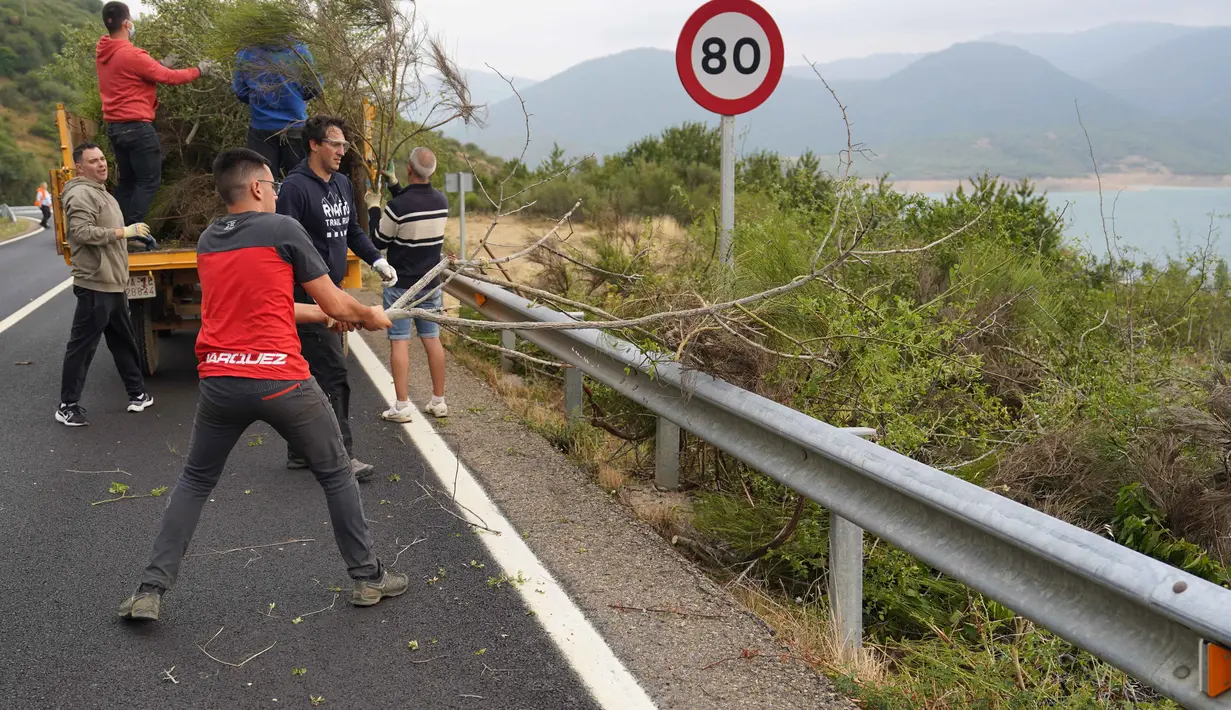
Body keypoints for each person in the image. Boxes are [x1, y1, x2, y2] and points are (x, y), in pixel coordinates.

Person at [119, 148, 408, 622]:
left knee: (195, 480)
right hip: (280, 381)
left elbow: (261, 302)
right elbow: (338, 300)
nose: (276, 192)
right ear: (256, 188)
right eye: (272, 185)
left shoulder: (210, 239)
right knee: (335, 473)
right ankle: (368, 578)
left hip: (220, 383)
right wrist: (367, 315)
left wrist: (322, 315)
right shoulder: (283, 229)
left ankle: (150, 590)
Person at [276, 115, 398, 478]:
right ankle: (341, 457)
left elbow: (353, 231)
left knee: (308, 376)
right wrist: (316, 297)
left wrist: (376, 259)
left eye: (345, 145)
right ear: (314, 145)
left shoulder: (342, 183)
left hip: (334, 291)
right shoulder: (295, 189)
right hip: (308, 295)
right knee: (333, 376)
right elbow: (284, 245)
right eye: (335, 144)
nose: (342, 151)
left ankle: (300, 452)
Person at [56, 143, 155, 427]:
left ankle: (138, 394)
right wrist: (124, 231)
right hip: (95, 284)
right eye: (93, 161)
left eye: (102, 159)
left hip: (113, 282)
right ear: (79, 167)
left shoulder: (102, 193)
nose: (101, 164)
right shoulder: (80, 194)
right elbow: (81, 232)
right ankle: (67, 405)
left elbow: (109, 235)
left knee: (123, 342)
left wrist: (135, 238)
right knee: (82, 347)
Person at [96, 1, 217, 225]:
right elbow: (169, 78)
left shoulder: (104, 51)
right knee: (149, 181)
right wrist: (199, 70)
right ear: (126, 23)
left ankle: (116, 230)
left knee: (127, 182)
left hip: (115, 127)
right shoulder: (131, 54)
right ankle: (132, 233)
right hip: (137, 128)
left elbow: (130, 77)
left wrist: (158, 63)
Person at [365, 147, 449, 421]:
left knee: (400, 342)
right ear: (432, 172)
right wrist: (394, 186)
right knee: (432, 339)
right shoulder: (441, 201)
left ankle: (402, 406)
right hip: (431, 283)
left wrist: (374, 208)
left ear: (409, 169)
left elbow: (378, 241)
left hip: (401, 285)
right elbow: (414, 205)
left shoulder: (396, 207)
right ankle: (439, 401)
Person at [232, 39, 321, 179]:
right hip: (295, 124)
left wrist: (261, 102)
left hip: (261, 128)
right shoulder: (299, 50)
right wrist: (295, 98)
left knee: (262, 183)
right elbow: (315, 86)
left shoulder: (247, 53)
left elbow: (240, 91)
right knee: (303, 181)